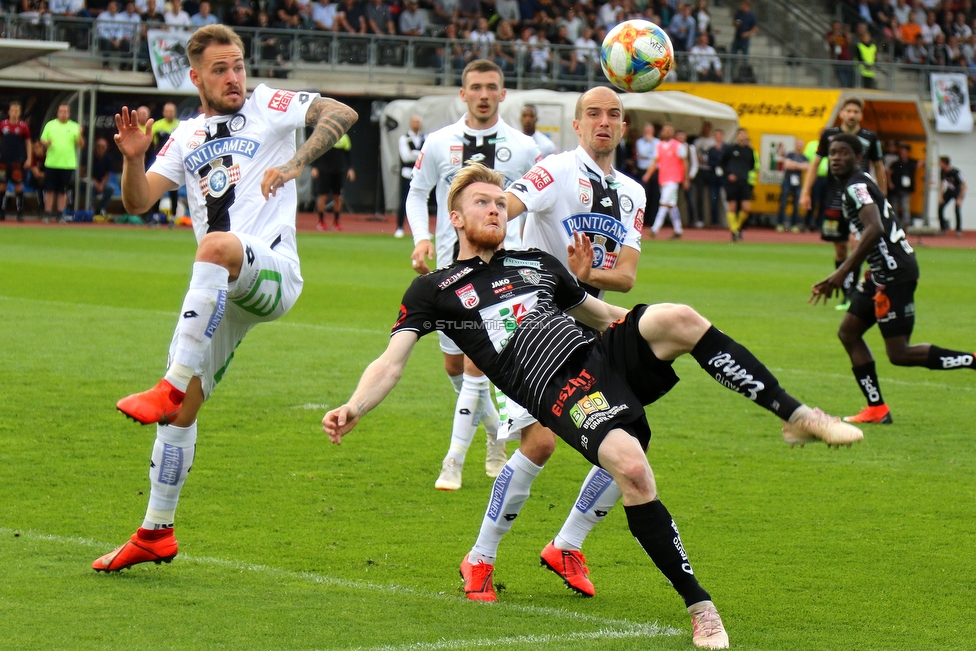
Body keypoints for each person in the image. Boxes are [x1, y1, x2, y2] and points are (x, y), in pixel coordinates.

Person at [324, 161, 863, 651]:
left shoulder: (537, 263)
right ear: (457, 219)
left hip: (596, 350)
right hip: (557, 387)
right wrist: (354, 405)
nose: (495, 208)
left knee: (680, 317)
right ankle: (700, 606)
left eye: (499, 201)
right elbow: (391, 361)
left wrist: (663, 332)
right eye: (482, 203)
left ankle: (797, 417)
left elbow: (606, 316)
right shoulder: (435, 289)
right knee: (633, 469)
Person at [91, 24, 358, 572]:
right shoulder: (186, 136)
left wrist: (295, 162)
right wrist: (133, 159)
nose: (234, 77)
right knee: (180, 415)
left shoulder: (269, 105)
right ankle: (155, 532)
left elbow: (341, 113)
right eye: (220, 69)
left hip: (272, 273)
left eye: (237, 65)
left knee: (213, 246)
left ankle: (168, 384)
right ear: (196, 77)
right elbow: (138, 202)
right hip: (221, 291)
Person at [404, 59, 542, 491]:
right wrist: (422, 237)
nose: (484, 94)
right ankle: (494, 433)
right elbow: (416, 192)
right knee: (454, 366)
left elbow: (541, 200)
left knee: (477, 364)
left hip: (504, 274)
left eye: (492, 87)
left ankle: (454, 463)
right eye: (476, 87)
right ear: (462, 95)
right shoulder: (440, 142)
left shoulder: (524, 148)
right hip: (450, 267)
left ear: (504, 94)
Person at [810, 134, 975, 425]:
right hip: (880, 273)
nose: (835, 158)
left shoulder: (857, 186)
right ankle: (876, 408)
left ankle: (972, 360)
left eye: (843, 153)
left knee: (899, 353)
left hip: (896, 274)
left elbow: (874, 229)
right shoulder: (855, 185)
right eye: (832, 153)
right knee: (848, 332)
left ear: (857, 157)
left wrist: (841, 272)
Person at [800, 98, 886, 310]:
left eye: (855, 111)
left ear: (860, 115)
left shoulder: (869, 138)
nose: (851, 115)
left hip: (861, 199)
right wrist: (805, 191)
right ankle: (847, 291)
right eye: (848, 110)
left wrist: (882, 196)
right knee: (839, 249)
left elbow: (879, 166)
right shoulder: (829, 135)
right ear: (842, 113)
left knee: (857, 242)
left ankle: (852, 294)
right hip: (835, 199)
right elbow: (816, 163)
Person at [39, 102, 85, 223]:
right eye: (61, 111)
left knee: (62, 191)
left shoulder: (75, 126)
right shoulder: (50, 125)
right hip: (51, 163)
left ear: (69, 113)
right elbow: (42, 140)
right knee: (49, 190)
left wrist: (80, 134)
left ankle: (60, 214)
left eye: (66, 111)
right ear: (57, 113)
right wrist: (46, 143)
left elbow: (81, 144)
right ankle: (47, 213)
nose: (63, 113)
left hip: (67, 164)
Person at [647, 123, 685, 239]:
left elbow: (684, 162)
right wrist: (648, 174)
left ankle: (655, 228)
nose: (667, 132)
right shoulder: (659, 145)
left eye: (669, 130)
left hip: (674, 179)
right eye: (665, 130)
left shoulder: (678, 146)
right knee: (671, 205)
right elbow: (655, 161)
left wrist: (685, 178)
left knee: (663, 202)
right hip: (663, 179)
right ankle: (678, 229)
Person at [311, 132, 353, 231]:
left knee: (337, 196)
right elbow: (316, 152)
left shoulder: (344, 137)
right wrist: (314, 167)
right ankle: (321, 221)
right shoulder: (322, 136)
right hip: (324, 170)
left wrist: (350, 168)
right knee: (323, 196)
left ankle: (336, 222)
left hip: (338, 171)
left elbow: (348, 154)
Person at [0, 101, 34, 222]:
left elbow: (28, 143)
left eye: (16, 111)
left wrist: (29, 158)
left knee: (18, 186)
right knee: (2, 185)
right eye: (12, 111)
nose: (14, 113)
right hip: (3, 161)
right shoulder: (3, 125)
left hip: (17, 161)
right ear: (9, 112)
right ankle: (1, 211)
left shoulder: (23, 126)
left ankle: (20, 212)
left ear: (20, 113)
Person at [721, 128, 754, 240]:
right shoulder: (730, 149)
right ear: (737, 136)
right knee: (732, 207)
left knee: (746, 208)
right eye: (740, 134)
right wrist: (729, 174)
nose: (741, 136)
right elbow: (722, 164)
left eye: (744, 134)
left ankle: (736, 228)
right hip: (732, 182)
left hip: (744, 182)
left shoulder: (749, 151)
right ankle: (734, 231)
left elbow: (752, 165)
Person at [150, 102, 181, 219]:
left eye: (172, 111)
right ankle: (155, 217)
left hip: (175, 161)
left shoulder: (180, 125)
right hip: (160, 160)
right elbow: (153, 144)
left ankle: (173, 217)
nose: (169, 114)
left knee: (174, 189)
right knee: (157, 188)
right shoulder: (157, 125)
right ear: (163, 112)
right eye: (167, 111)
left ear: (175, 113)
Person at [396, 115, 424, 239]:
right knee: (404, 200)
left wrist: (414, 153)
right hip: (407, 173)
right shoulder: (404, 139)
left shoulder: (425, 138)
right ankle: (400, 227)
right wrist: (419, 154)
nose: (416, 124)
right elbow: (406, 156)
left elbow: (427, 156)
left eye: (418, 122)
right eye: (414, 122)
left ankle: (422, 230)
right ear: (410, 123)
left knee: (422, 201)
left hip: (421, 175)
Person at [776, 139, 808, 233]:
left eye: (801, 145)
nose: (799, 146)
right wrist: (799, 166)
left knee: (796, 205)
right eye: (798, 144)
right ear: (795, 145)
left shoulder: (804, 157)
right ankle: (780, 223)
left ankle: (794, 225)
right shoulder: (790, 154)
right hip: (787, 181)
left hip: (798, 183)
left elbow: (806, 167)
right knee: (783, 202)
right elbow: (787, 165)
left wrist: (794, 164)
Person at [887, 143, 917, 229]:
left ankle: (905, 225)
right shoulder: (896, 163)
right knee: (894, 207)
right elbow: (889, 173)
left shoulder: (911, 162)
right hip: (896, 188)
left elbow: (920, 163)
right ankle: (895, 224)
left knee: (905, 207)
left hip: (906, 189)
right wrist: (890, 183)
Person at [634, 123, 659, 218]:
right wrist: (649, 143)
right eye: (646, 131)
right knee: (644, 194)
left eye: (650, 131)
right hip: (643, 170)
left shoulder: (657, 142)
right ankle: (642, 218)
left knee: (655, 195)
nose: (648, 133)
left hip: (654, 170)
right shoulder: (639, 142)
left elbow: (656, 157)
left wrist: (651, 143)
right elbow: (642, 153)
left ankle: (652, 219)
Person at [88, 137, 116, 220]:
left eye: (103, 146)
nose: (101, 148)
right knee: (90, 186)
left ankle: (100, 209)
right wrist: (96, 183)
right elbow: (83, 172)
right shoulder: (89, 156)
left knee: (111, 188)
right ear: (95, 146)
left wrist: (102, 184)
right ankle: (90, 210)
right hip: (88, 181)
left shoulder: (108, 158)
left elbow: (107, 174)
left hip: (101, 182)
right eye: (99, 146)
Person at [938, 155, 966, 236]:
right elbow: (941, 184)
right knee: (941, 207)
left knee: (957, 209)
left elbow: (964, 186)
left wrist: (959, 198)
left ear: (945, 163)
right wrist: (941, 197)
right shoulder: (942, 172)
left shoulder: (956, 172)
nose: (939, 164)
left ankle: (958, 229)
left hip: (958, 191)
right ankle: (943, 228)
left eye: (940, 163)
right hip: (949, 191)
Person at [705, 127, 725, 227]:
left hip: (724, 178)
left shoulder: (727, 148)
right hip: (714, 177)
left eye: (719, 135)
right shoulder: (712, 150)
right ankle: (715, 221)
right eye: (716, 136)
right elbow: (709, 162)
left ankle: (728, 222)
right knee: (713, 199)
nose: (718, 137)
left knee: (727, 200)